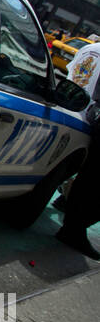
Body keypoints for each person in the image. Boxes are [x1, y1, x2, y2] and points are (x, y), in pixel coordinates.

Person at [55, 34, 100, 258]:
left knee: (78, 168)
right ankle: (73, 224)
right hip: (89, 113)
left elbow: (73, 74)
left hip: (71, 106)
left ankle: (67, 202)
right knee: (91, 178)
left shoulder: (88, 49)